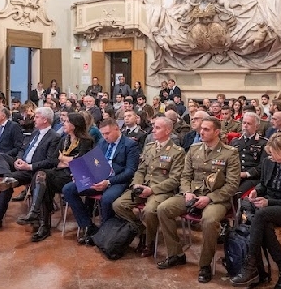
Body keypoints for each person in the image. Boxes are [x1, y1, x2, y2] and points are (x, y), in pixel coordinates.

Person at [156, 116, 239, 283]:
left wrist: (209, 198)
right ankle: (176, 254)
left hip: (216, 198)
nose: (201, 131)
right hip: (192, 195)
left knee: (209, 221)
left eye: (206, 129)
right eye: (201, 128)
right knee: (163, 209)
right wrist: (187, 192)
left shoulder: (230, 153)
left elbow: (232, 185)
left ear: (217, 132)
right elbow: (185, 176)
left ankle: (205, 264)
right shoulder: (194, 149)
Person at [230, 133, 281, 289]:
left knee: (261, 215)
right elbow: (263, 185)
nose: (273, 157)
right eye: (271, 153)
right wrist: (256, 192)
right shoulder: (268, 162)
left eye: (276, 154)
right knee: (259, 219)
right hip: (268, 208)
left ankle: (251, 266)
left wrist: (268, 202)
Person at [113, 116, 186, 257]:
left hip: (161, 190)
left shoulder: (177, 152)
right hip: (144, 186)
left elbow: (175, 179)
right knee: (118, 205)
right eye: (153, 126)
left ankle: (149, 242)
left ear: (168, 130)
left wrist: (152, 190)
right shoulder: (149, 147)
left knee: (150, 210)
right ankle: (143, 231)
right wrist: (136, 184)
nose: (153, 130)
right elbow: (141, 169)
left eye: (157, 128)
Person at [0, 107, 62, 234]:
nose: (33, 119)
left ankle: (43, 225)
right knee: (4, 175)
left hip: (38, 170)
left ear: (45, 120)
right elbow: (23, 148)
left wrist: (29, 166)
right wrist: (19, 159)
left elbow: (51, 161)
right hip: (24, 167)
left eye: (36, 117)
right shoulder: (35, 132)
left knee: (39, 180)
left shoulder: (54, 137)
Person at [16, 112, 94, 242]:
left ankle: (41, 222)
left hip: (74, 176)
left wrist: (63, 158)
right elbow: (53, 159)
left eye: (67, 121)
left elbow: (81, 162)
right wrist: (68, 160)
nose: (63, 123)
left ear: (74, 125)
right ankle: (38, 219)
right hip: (60, 172)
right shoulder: (64, 139)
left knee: (42, 179)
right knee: (41, 176)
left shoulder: (86, 141)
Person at [62, 118, 140, 245]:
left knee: (107, 199)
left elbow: (130, 171)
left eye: (107, 133)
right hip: (98, 177)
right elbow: (92, 162)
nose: (105, 136)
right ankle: (88, 226)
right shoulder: (102, 142)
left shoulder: (129, 145)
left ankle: (104, 234)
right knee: (68, 189)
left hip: (117, 180)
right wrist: (80, 174)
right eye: (103, 134)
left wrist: (108, 182)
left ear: (116, 129)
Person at [230, 112, 268, 195]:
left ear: (256, 126)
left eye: (249, 123)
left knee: (237, 193)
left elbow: (263, 166)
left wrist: (246, 174)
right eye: (244, 123)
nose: (245, 126)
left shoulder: (263, 143)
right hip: (234, 176)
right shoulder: (235, 141)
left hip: (252, 178)